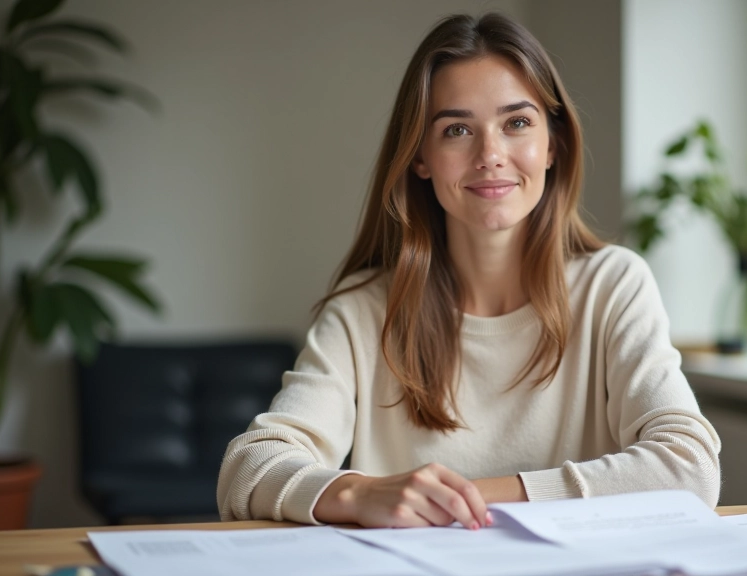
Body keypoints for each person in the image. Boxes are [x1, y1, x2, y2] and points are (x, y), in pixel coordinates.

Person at [217, 12, 720, 530]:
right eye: (457, 130)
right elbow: (247, 469)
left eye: (517, 123)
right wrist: (359, 492)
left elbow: (690, 467)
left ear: (553, 145)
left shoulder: (614, 285)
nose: (490, 155)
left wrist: (468, 500)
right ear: (420, 158)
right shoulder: (364, 308)